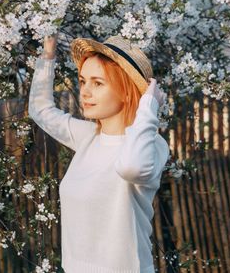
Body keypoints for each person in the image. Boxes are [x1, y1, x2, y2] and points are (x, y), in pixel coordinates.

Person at [28, 33, 170, 273]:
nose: (84, 92)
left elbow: (131, 167)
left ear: (126, 91)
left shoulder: (152, 145)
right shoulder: (88, 138)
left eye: (98, 83)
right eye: (83, 81)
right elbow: (40, 110)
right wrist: (48, 54)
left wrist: (148, 107)